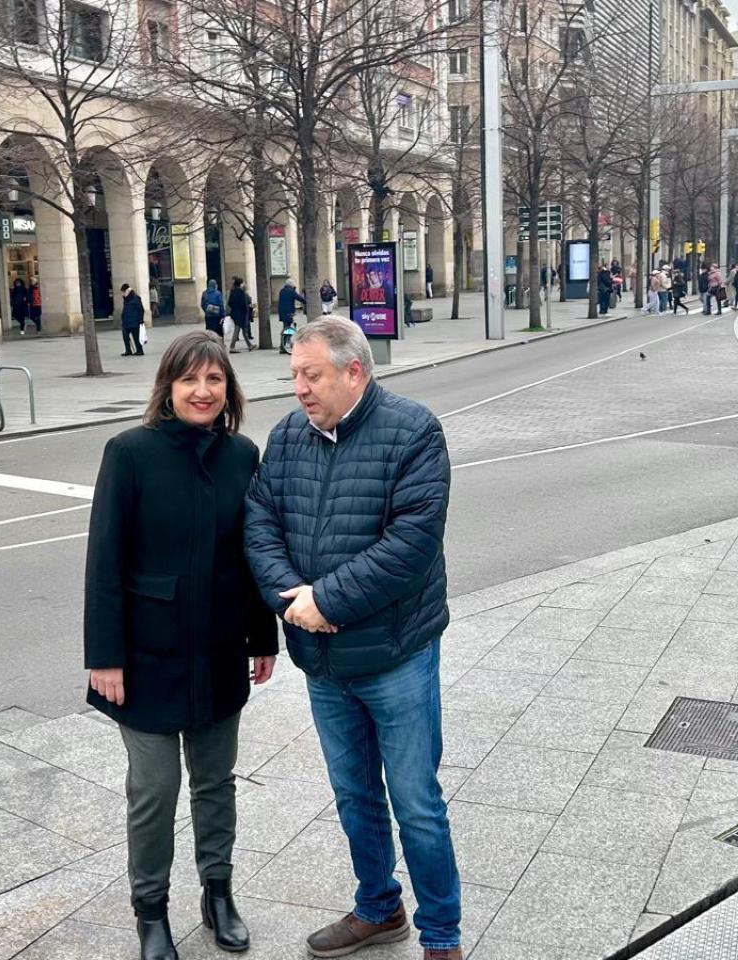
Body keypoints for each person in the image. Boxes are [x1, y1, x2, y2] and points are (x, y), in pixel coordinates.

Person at [244, 318, 463, 960]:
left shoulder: (413, 431)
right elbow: (260, 524)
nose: (300, 389)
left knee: (417, 801)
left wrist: (327, 600)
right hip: (324, 660)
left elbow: (413, 544)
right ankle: (379, 907)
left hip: (396, 654)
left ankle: (442, 937)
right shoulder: (287, 436)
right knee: (354, 793)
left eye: (311, 375)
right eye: (294, 376)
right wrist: (295, 599)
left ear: (354, 372)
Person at [86, 330, 279, 960]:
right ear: (167, 388)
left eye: (215, 380)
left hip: (220, 648)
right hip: (144, 657)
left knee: (215, 781)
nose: (203, 391)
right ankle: (151, 912)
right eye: (190, 379)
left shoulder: (241, 456)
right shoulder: (129, 453)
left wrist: (262, 634)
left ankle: (217, 894)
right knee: (156, 788)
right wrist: (104, 656)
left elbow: (253, 557)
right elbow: (104, 561)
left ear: (229, 390)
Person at [277, 280, 306, 355]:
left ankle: (282, 347)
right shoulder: (291, 291)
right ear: (291, 285)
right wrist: (306, 301)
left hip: (282, 312)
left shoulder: (282, 291)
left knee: (285, 328)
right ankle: (283, 347)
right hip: (289, 312)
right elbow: (299, 298)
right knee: (287, 330)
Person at [227, 277, 255, 352]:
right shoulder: (241, 292)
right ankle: (232, 347)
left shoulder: (232, 292)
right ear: (240, 284)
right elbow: (244, 304)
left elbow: (229, 303)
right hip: (241, 314)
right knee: (238, 330)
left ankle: (250, 345)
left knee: (243, 330)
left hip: (234, 313)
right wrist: (246, 312)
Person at [120, 283, 146, 356]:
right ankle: (128, 350)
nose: (122, 294)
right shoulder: (126, 298)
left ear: (126, 291)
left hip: (134, 321)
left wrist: (140, 319)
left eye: (123, 292)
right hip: (126, 321)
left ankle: (139, 350)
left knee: (136, 337)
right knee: (125, 336)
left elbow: (141, 309)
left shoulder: (135, 297)